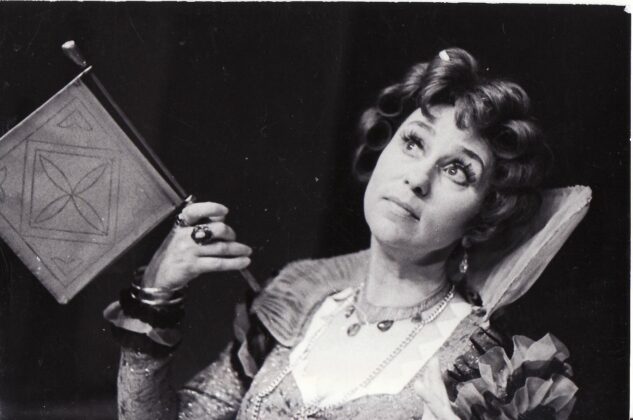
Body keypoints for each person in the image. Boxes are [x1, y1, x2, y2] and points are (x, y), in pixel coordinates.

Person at [104, 47, 585, 419]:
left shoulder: (481, 369)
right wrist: (156, 296)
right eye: (414, 142)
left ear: (484, 215)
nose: (419, 178)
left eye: (458, 170)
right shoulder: (295, 311)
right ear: (384, 150)